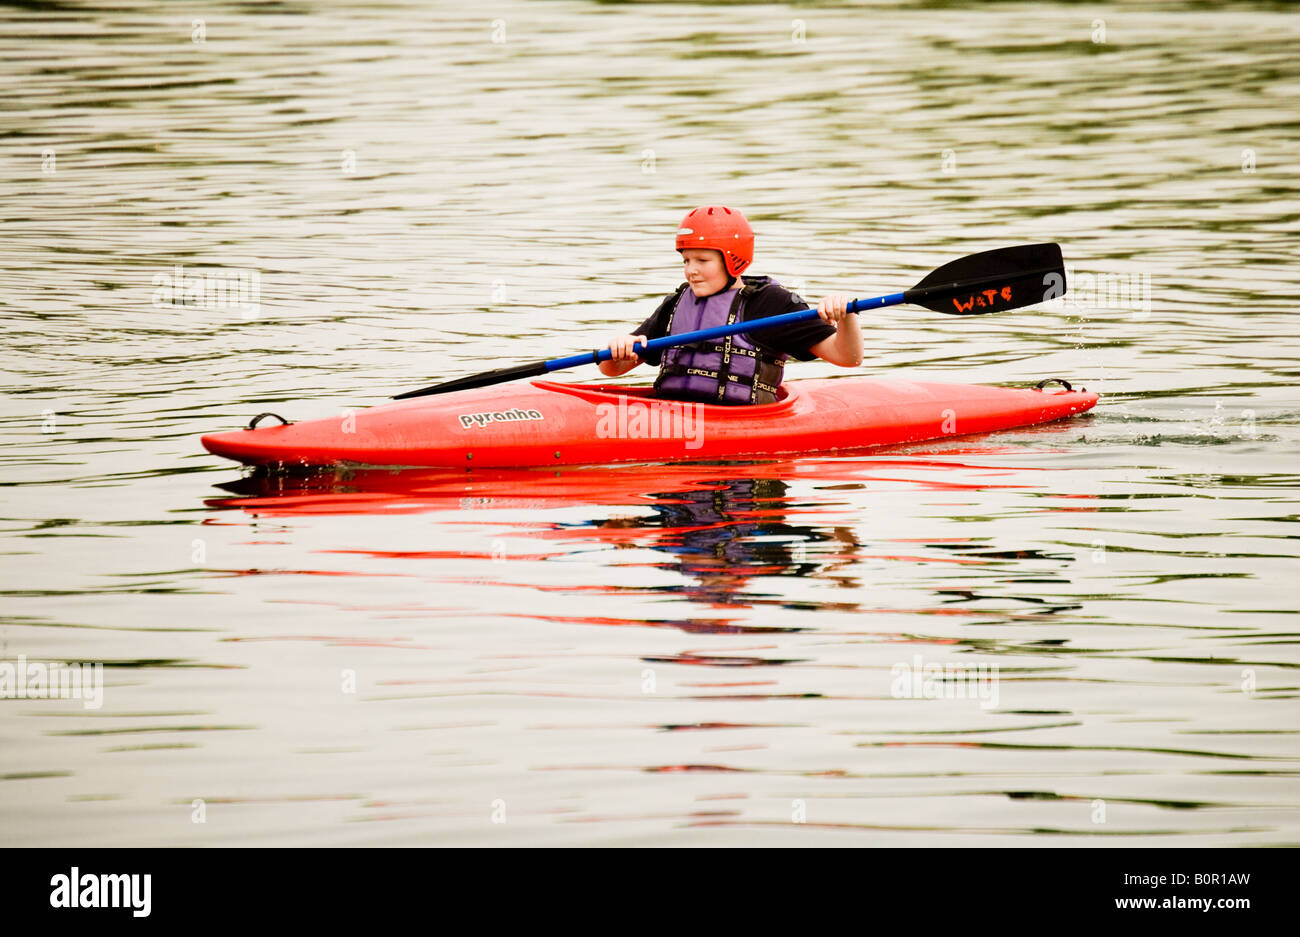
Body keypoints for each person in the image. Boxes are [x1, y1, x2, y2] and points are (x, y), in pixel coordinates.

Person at [599, 205, 862, 405]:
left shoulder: (770, 304)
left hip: (744, 431)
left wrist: (847, 315)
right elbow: (611, 369)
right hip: (672, 417)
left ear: (733, 260)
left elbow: (848, 358)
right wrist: (618, 349)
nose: (691, 271)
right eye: (686, 261)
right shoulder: (675, 305)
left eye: (702, 261)